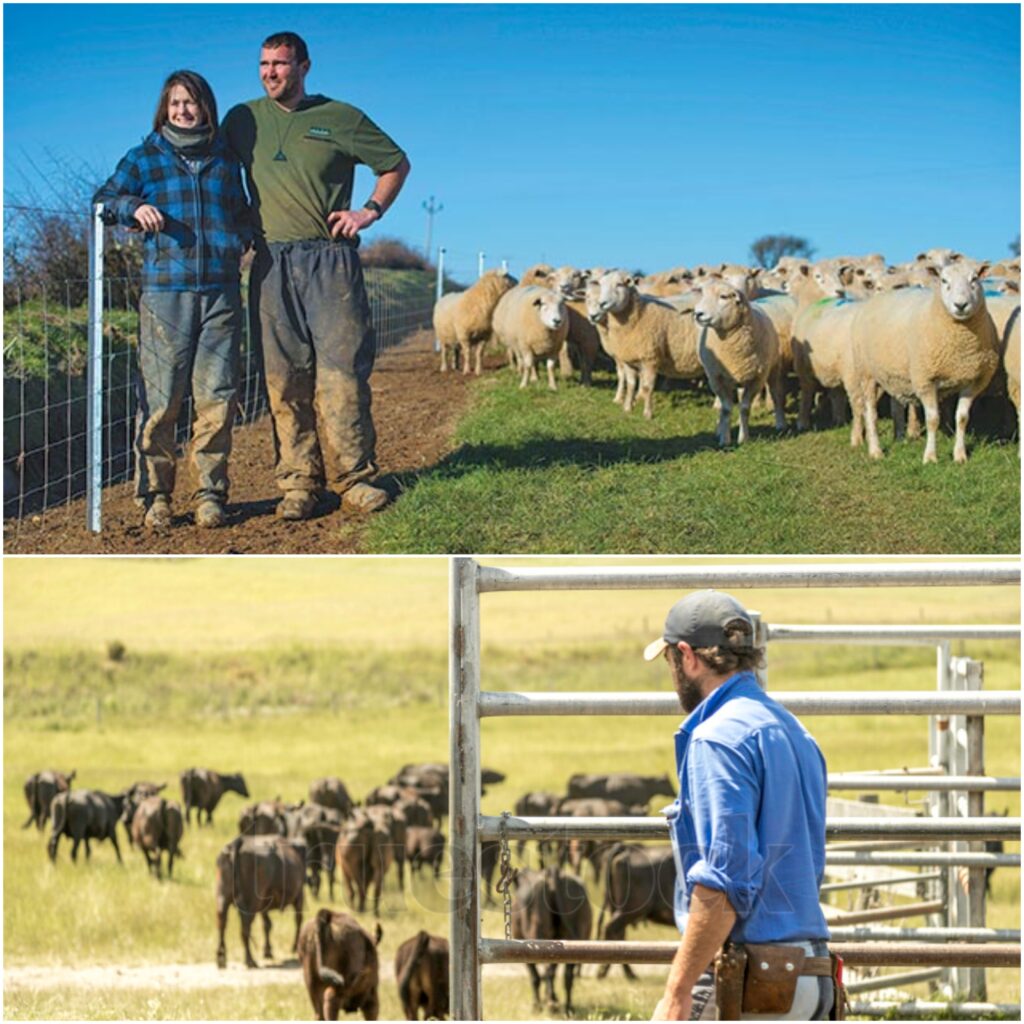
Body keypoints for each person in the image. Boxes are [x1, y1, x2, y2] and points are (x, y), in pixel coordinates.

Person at [222, 31, 411, 521]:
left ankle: (356, 478)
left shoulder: (340, 117)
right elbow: (217, 174)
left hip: (330, 260)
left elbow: (394, 164)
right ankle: (299, 482)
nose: (270, 73)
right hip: (269, 263)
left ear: (304, 67)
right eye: (264, 64)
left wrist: (368, 211)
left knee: (342, 374)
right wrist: (239, 219)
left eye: (280, 64)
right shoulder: (242, 120)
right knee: (283, 379)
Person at [645, 591, 838, 1021]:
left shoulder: (716, 739)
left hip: (752, 978)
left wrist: (677, 992)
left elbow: (725, 879)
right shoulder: (794, 730)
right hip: (811, 972)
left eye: (670, 663)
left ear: (687, 657)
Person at [95, 70, 251, 529]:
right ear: (165, 109)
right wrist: (131, 208)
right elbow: (103, 200)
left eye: (192, 102)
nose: (183, 110)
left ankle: (210, 495)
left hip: (221, 293)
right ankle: (155, 496)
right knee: (161, 401)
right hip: (165, 295)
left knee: (218, 399)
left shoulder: (227, 162)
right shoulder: (144, 158)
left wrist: (236, 241)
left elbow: (242, 214)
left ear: (206, 107)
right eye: (175, 103)